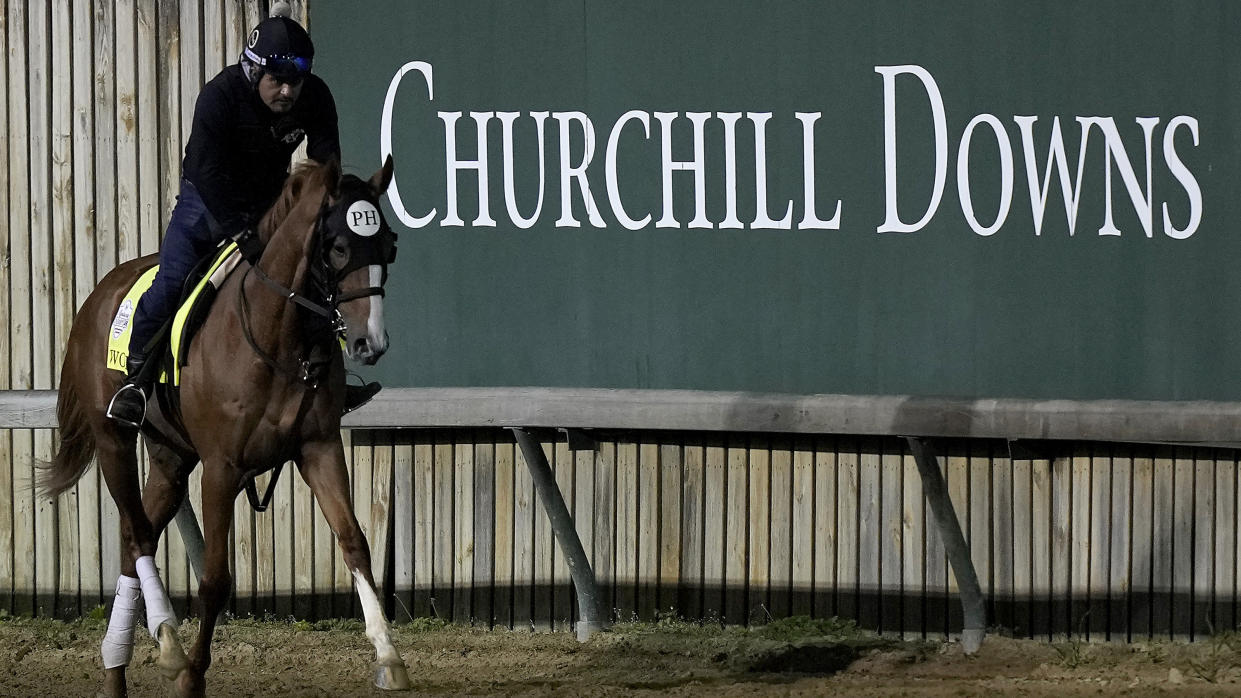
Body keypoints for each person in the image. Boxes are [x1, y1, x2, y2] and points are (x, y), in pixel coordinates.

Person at [107, 5, 379, 428]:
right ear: (253, 73)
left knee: (313, 275)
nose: (287, 92)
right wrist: (241, 232)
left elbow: (328, 166)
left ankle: (332, 382)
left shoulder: (317, 97)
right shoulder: (219, 97)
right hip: (207, 201)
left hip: (271, 201)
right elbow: (204, 171)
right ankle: (134, 381)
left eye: (295, 82)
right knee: (172, 281)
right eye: (277, 81)